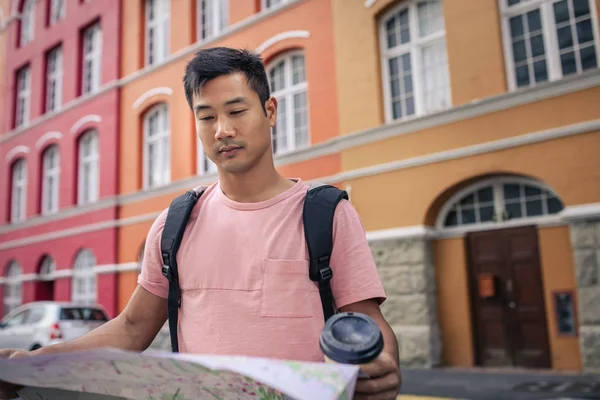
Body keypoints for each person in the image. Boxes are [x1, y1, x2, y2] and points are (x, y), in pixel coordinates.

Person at [0, 47, 401, 400]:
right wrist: (31, 362)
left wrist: (382, 364)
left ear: (270, 110)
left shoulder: (326, 214)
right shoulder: (176, 223)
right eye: (206, 116)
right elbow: (131, 328)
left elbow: (366, 323)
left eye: (237, 111)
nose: (222, 130)